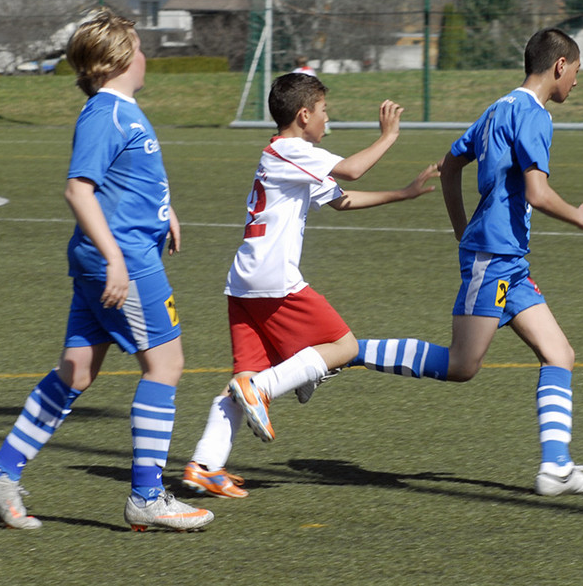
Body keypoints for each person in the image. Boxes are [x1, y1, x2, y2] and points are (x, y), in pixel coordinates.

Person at [226, 29, 583, 498]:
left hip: (506, 259)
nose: (576, 80)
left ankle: (556, 467)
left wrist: (460, 229)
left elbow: (451, 166)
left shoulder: (498, 109)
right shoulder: (533, 116)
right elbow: (537, 192)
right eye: (576, 71)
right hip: (494, 257)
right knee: (460, 365)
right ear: (559, 66)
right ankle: (339, 357)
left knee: (559, 355)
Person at [0, 8, 214, 532]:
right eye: (140, 47)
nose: (147, 56)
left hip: (104, 255)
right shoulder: (107, 113)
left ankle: (0, 473)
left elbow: (123, 180)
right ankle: (147, 496)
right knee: (166, 366)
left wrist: (163, 210)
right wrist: (119, 259)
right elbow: (79, 189)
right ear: (118, 59)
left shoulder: (120, 110)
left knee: (77, 371)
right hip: (121, 261)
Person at [181, 73, 438, 499]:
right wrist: (389, 136)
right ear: (304, 115)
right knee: (343, 346)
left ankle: (205, 465)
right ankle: (264, 388)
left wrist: (404, 193)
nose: (328, 121)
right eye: (324, 112)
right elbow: (353, 171)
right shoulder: (294, 150)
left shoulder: (291, 157)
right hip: (272, 278)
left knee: (241, 377)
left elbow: (342, 199)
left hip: (243, 280)